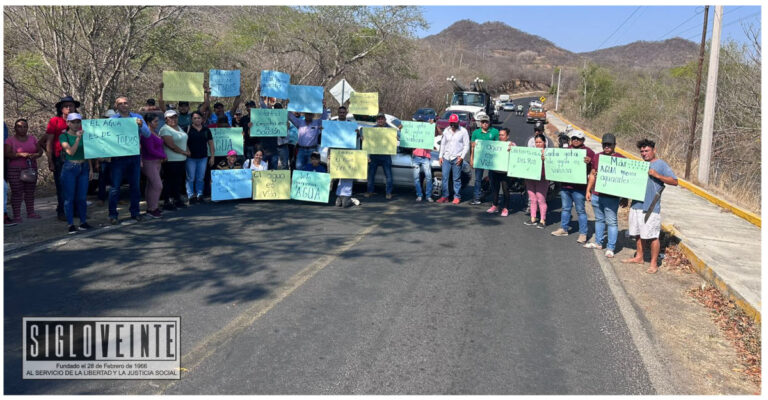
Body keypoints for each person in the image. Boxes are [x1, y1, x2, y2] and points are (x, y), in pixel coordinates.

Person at [621, 139, 678, 274]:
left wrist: (657, 175)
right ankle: (639, 257)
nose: (644, 153)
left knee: (652, 236)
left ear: (654, 150)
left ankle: (653, 263)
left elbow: (674, 181)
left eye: (647, 151)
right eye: (642, 151)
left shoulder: (660, 164)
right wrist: (625, 197)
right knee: (638, 234)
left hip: (651, 207)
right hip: (636, 205)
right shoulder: (639, 166)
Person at [109, 96, 150, 225]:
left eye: (126, 103)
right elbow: (105, 137)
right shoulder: (112, 120)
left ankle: (135, 212)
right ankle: (113, 215)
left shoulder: (137, 117)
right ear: (116, 106)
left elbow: (147, 134)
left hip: (134, 156)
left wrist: (141, 125)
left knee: (135, 186)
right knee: (115, 187)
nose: (123, 105)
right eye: (120, 103)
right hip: (118, 157)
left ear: (129, 104)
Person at [584, 133, 625, 257]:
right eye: (605, 144)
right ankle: (598, 243)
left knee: (612, 222)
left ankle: (611, 248)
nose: (607, 147)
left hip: (611, 197)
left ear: (614, 145)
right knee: (599, 219)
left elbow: (625, 180)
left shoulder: (621, 159)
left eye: (609, 144)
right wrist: (588, 190)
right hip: (597, 195)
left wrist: (625, 197)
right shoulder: (597, 157)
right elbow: (592, 174)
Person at [550, 129, 593, 243]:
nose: (575, 140)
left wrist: (590, 162)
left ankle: (583, 233)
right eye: (573, 138)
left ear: (583, 140)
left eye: (578, 139)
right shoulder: (566, 151)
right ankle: (564, 228)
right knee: (565, 208)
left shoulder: (588, 152)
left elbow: (594, 169)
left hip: (579, 188)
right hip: (566, 186)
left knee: (580, 210)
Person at [46, 95, 80, 221]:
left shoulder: (80, 122)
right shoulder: (54, 121)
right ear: (61, 108)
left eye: (71, 106)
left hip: (78, 156)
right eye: (65, 106)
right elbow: (49, 141)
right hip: (61, 157)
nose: (68, 108)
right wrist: (50, 160)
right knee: (62, 186)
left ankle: (76, 210)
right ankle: (62, 211)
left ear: (75, 108)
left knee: (77, 184)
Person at [59, 113, 94, 233]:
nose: (76, 124)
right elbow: (70, 152)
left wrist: (91, 168)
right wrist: (78, 138)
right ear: (68, 123)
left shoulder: (85, 134)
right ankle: (70, 224)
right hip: (70, 168)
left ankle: (83, 222)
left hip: (83, 167)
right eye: (73, 122)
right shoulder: (64, 136)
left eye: (78, 122)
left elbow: (88, 152)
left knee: (82, 197)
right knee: (69, 198)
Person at [4, 119, 44, 222]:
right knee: (17, 192)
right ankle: (17, 215)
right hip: (15, 170)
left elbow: (40, 151)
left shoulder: (32, 138)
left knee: (30, 191)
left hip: (30, 168)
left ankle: (31, 212)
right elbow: (6, 154)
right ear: (15, 128)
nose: (22, 129)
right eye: (19, 127)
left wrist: (35, 155)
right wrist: (19, 154)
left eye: (25, 126)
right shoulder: (10, 140)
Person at [159, 109, 190, 211]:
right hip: (171, 160)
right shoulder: (165, 129)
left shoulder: (178, 127)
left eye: (175, 117)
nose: (173, 119)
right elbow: (171, 145)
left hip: (181, 160)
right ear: (166, 119)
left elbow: (184, 140)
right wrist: (184, 152)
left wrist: (187, 150)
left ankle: (177, 199)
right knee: (169, 181)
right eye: (171, 117)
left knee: (178, 181)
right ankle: (167, 201)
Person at [436, 113, 469, 204]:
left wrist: (462, 157)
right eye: (451, 123)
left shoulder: (463, 131)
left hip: (457, 158)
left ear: (458, 122)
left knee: (456, 178)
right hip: (446, 157)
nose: (453, 125)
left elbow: (466, 146)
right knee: (445, 177)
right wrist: (440, 156)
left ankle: (457, 196)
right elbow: (443, 144)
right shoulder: (446, 130)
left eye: (454, 123)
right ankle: (445, 196)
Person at [288, 100, 329, 171]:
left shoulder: (317, 123)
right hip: (301, 150)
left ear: (313, 115)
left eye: (310, 114)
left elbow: (324, 117)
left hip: (312, 150)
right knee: (298, 168)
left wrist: (324, 107)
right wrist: (289, 104)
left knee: (310, 169)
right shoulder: (299, 122)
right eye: (307, 114)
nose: (308, 116)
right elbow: (290, 116)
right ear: (305, 115)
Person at [364, 113, 398, 200]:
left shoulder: (391, 130)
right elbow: (368, 142)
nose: (380, 120)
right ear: (377, 120)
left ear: (385, 120)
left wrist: (396, 138)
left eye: (382, 119)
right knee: (371, 175)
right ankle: (370, 191)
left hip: (386, 155)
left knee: (388, 175)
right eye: (378, 119)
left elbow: (397, 138)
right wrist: (364, 138)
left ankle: (388, 192)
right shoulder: (372, 130)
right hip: (374, 155)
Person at [469, 112, 499, 205]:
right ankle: (476, 197)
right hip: (479, 160)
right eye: (483, 122)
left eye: (486, 122)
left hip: (491, 160)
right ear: (480, 123)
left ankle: (494, 199)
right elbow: (472, 148)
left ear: (489, 123)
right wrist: (472, 159)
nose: (485, 124)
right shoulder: (476, 133)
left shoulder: (495, 132)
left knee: (492, 179)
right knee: (478, 179)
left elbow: (499, 146)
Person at [140, 113, 166, 219]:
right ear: (148, 123)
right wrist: (163, 155)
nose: (157, 123)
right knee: (157, 185)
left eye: (157, 121)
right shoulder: (146, 134)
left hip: (157, 162)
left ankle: (151, 207)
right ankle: (153, 208)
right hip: (149, 162)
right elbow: (150, 150)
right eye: (155, 121)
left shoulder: (155, 132)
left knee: (151, 185)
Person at [185, 111, 215, 204]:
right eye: (195, 118)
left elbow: (211, 144)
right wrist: (187, 150)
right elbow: (184, 142)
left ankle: (199, 194)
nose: (197, 120)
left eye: (198, 118)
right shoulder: (187, 129)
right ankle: (190, 195)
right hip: (191, 158)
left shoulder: (206, 130)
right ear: (191, 119)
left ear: (202, 119)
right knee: (190, 177)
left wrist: (212, 157)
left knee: (200, 177)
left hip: (203, 157)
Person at [486, 128, 516, 216]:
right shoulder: (495, 144)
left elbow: (515, 156)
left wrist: (512, 149)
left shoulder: (512, 144)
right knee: (495, 189)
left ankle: (505, 208)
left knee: (505, 189)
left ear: (507, 136)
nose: (500, 136)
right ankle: (495, 205)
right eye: (499, 135)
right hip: (495, 171)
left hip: (505, 172)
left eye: (502, 135)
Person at [522, 134, 549, 228]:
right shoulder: (531, 152)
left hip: (542, 178)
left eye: (540, 142)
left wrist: (545, 159)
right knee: (532, 199)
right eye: (536, 142)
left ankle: (542, 220)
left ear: (544, 142)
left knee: (541, 199)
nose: (538, 144)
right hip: (530, 178)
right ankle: (533, 218)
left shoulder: (549, 153)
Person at [411, 122, 435, 202]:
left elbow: (437, 133)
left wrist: (433, 124)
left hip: (426, 157)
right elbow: (406, 136)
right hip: (416, 157)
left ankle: (428, 196)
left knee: (429, 177)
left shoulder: (428, 132)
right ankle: (419, 195)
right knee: (416, 177)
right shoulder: (413, 133)